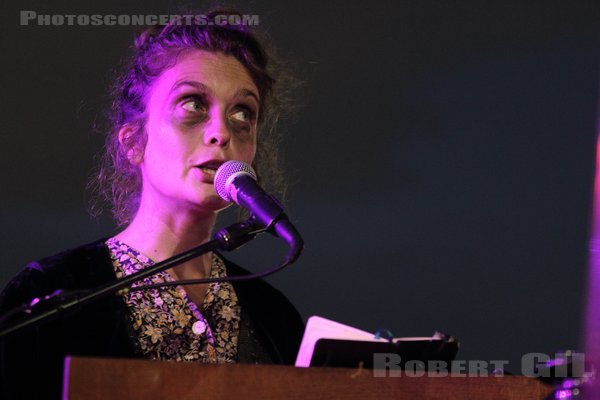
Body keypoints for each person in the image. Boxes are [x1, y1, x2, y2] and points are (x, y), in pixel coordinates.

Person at [0, 9, 304, 399]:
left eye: (242, 113)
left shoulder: (274, 316)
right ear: (133, 142)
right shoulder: (49, 293)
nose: (220, 132)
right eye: (193, 104)